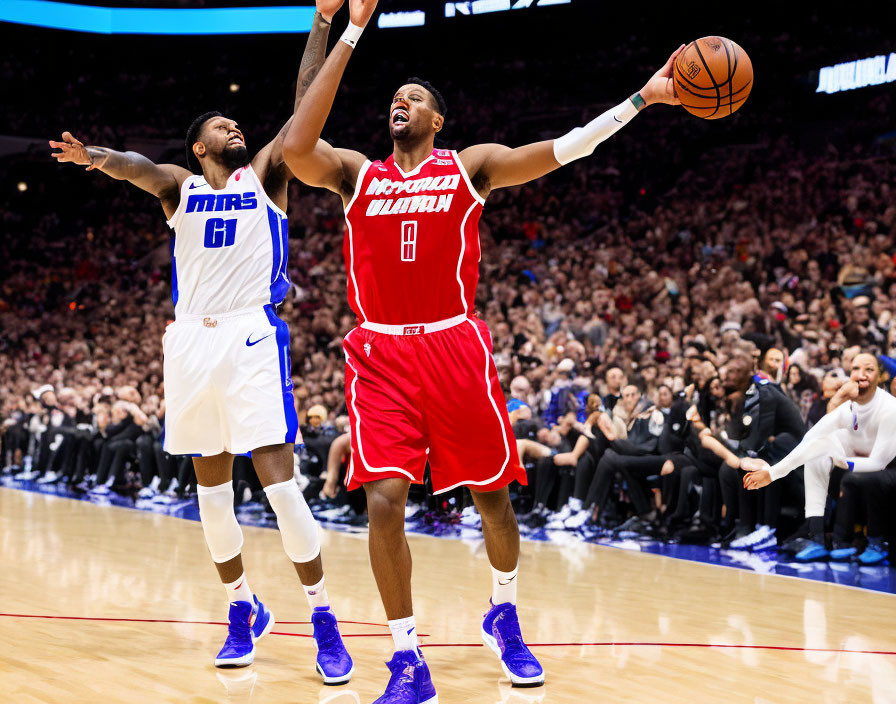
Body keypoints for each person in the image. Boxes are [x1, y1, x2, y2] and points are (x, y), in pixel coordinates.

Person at [283, 2, 683, 698]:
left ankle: (504, 610)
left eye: (414, 99)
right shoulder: (356, 174)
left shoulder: (469, 167)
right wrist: (335, 26)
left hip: (453, 345)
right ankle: (407, 657)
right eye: (393, 100)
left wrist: (642, 99)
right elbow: (295, 141)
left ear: (438, 120)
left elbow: (567, 148)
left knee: (493, 500)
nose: (398, 104)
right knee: (383, 501)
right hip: (379, 355)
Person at [48, 0, 353, 681]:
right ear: (198, 147)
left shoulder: (266, 178)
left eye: (236, 121)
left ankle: (324, 615)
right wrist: (96, 157)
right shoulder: (181, 188)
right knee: (211, 496)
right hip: (189, 344)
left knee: (282, 488)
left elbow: (304, 110)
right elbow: (135, 166)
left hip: (249, 333)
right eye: (222, 125)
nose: (235, 126)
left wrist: (323, 22)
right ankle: (240, 606)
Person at [743, 353, 896, 561]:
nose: (861, 376)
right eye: (856, 370)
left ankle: (872, 543)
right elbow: (811, 440)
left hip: (886, 467)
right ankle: (818, 539)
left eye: (868, 370)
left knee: (857, 478)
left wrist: (843, 461)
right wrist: (772, 473)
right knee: (818, 454)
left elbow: (879, 462)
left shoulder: (889, 409)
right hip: (860, 463)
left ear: (882, 377)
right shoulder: (849, 407)